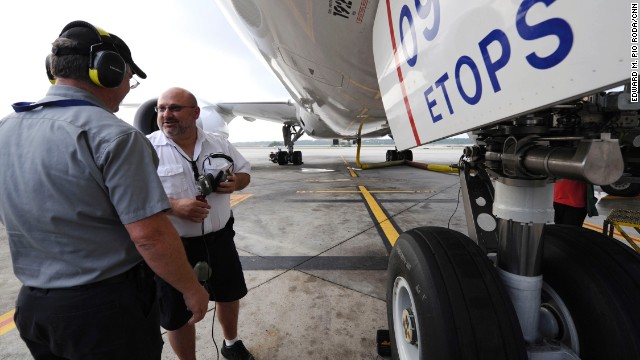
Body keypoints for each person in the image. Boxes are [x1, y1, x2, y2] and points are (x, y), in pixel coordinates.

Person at [0, 21, 209, 359]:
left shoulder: (5, 129)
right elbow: (149, 236)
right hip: (105, 313)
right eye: (129, 78)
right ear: (107, 72)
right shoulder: (116, 137)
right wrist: (190, 288)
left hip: (34, 308)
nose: (128, 87)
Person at [147, 87, 254, 360]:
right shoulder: (145, 148)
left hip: (219, 240)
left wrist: (236, 182)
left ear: (195, 113)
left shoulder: (219, 144)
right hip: (174, 246)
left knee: (229, 295)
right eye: (161, 109)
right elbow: (133, 195)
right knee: (176, 313)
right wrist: (173, 206)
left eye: (174, 108)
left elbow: (244, 173)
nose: (166, 114)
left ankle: (231, 343)